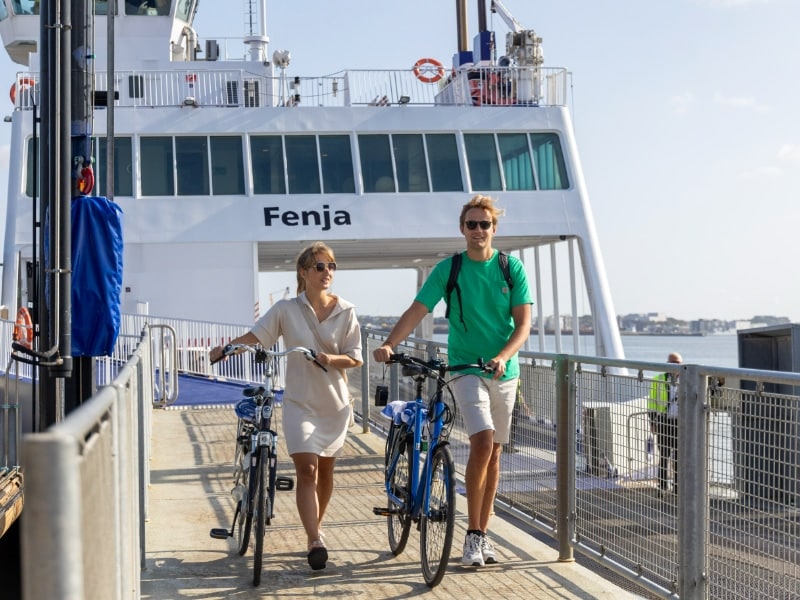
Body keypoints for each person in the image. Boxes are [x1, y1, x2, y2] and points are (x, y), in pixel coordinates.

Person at [373, 194, 532, 567]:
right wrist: (389, 343)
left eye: (485, 224)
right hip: (464, 367)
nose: (479, 230)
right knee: (481, 441)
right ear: (462, 229)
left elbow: (523, 324)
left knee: (494, 454)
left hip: (504, 372)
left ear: (495, 228)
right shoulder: (450, 269)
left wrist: (503, 356)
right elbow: (418, 309)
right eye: (472, 224)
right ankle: (471, 537)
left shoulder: (511, 269)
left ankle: (481, 532)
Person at [210, 242, 363, 571]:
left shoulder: (346, 311)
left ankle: (314, 530)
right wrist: (227, 349)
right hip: (299, 403)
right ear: (304, 273)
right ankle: (315, 540)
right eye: (319, 267)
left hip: (335, 405)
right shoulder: (285, 309)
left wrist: (329, 358)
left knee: (325, 472)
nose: (327, 273)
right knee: (307, 469)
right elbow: (258, 336)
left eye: (331, 266)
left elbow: (356, 357)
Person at [648, 352, 683, 496]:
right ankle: (662, 486)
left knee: (680, 458)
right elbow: (652, 403)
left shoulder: (688, 379)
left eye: (678, 363)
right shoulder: (658, 379)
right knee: (664, 456)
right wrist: (653, 422)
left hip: (681, 423)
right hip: (664, 422)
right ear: (667, 364)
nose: (675, 366)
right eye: (672, 363)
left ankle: (677, 487)